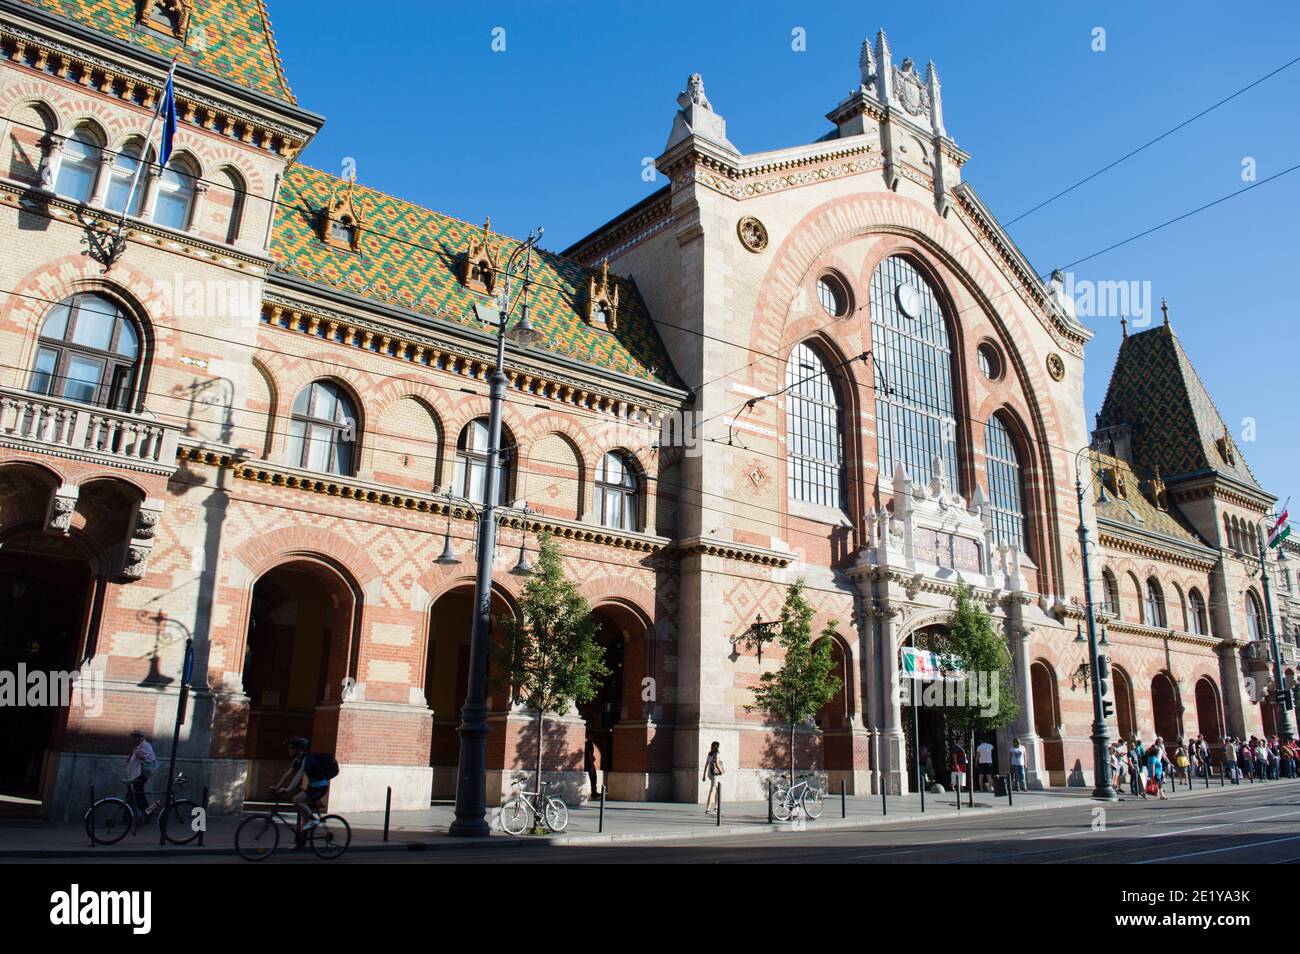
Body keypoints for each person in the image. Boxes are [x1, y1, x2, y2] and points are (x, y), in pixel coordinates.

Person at [272, 737, 333, 847]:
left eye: (291, 747)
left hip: (320, 787)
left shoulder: (307, 759)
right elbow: (288, 773)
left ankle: (314, 821)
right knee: (304, 816)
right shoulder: (297, 760)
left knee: (296, 800)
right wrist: (277, 787)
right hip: (312, 787)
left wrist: (288, 789)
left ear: (299, 749)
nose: (288, 749)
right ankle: (300, 842)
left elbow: (299, 775)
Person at [125, 729, 158, 822]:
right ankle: (128, 817)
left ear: (139, 738)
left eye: (134, 737)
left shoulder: (145, 745)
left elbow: (151, 757)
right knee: (130, 796)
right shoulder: (138, 746)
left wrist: (140, 756)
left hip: (140, 775)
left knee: (138, 796)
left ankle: (147, 814)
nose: (133, 739)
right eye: (133, 737)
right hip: (134, 775)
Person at [702, 740, 723, 814]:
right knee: (712, 791)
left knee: (717, 790)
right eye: (718, 746)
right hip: (714, 774)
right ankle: (708, 809)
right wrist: (721, 771)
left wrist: (704, 775)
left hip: (709, 773)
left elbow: (706, 764)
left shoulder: (710, 753)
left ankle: (716, 808)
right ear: (717, 746)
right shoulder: (717, 753)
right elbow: (717, 764)